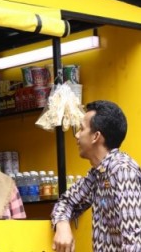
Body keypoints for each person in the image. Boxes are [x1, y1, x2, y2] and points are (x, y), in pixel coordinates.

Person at [51, 100, 141, 252]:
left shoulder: (122, 171)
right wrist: (62, 225)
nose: (77, 135)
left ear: (96, 136)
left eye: (81, 129)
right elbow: (66, 202)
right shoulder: (97, 174)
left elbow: (133, 241)